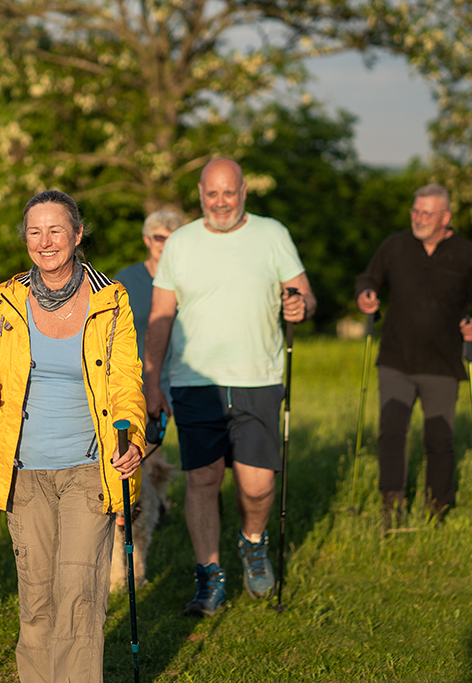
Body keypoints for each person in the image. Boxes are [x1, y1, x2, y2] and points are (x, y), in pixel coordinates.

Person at [0, 190, 146, 683]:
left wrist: (134, 439)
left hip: (89, 468)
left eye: (56, 230)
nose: (45, 242)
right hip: (24, 472)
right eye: (35, 231)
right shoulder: (7, 298)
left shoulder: (110, 299)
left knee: (79, 596)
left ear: (77, 235)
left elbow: (127, 380)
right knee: (38, 599)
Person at [143, 158, 315, 617]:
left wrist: (300, 305)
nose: (221, 203)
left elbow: (304, 292)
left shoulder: (272, 234)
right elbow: (160, 315)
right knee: (202, 478)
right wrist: (151, 379)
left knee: (256, 487)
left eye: (230, 193)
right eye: (212, 194)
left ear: (244, 191)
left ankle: (253, 544)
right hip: (196, 381)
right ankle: (209, 579)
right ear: (200, 193)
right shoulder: (180, 243)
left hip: (258, 377)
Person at [355, 183, 472, 527]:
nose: (418, 218)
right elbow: (368, 278)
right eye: (415, 211)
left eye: (426, 213)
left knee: (439, 438)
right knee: (391, 431)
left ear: (445, 217)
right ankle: (391, 506)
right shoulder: (395, 245)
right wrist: (366, 295)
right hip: (395, 359)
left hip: (442, 362)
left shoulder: (466, 254)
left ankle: (438, 507)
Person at [114, 209, 185, 389]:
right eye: (159, 238)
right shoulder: (126, 280)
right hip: (135, 379)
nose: (165, 245)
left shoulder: (189, 280)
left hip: (182, 379)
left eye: (172, 239)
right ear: (147, 240)